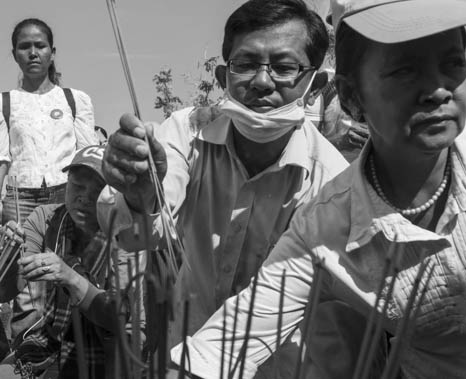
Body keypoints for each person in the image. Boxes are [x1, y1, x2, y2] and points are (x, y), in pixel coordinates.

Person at [170, 0, 466, 378]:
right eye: (405, 70)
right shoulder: (325, 227)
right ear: (351, 95)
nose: (438, 90)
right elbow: (231, 341)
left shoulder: (323, 173)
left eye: (454, 64)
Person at [100, 0, 348, 373]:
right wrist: (139, 198)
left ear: (316, 85)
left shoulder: (331, 180)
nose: (262, 82)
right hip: (181, 352)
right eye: (245, 65)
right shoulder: (187, 132)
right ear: (222, 78)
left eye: (284, 67)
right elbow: (140, 234)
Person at [0, 146, 143, 379]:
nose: (83, 197)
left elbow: (118, 318)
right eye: (77, 186)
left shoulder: (125, 233)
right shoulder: (46, 219)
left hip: (114, 347)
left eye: (97, 190)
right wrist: (9, 256)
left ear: (114, 194)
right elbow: (4, 293)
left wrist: (70, 277)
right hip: (52, 339)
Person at [0, 18, 99, 252]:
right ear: (15, 54)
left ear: (52, 53)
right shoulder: (1, 103)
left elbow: (86, 158)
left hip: (66, 197)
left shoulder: (75, 100)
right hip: (19, 202)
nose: (33, 53)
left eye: (40, 46)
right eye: (25, 47)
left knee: (66, 268)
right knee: (22, 274)